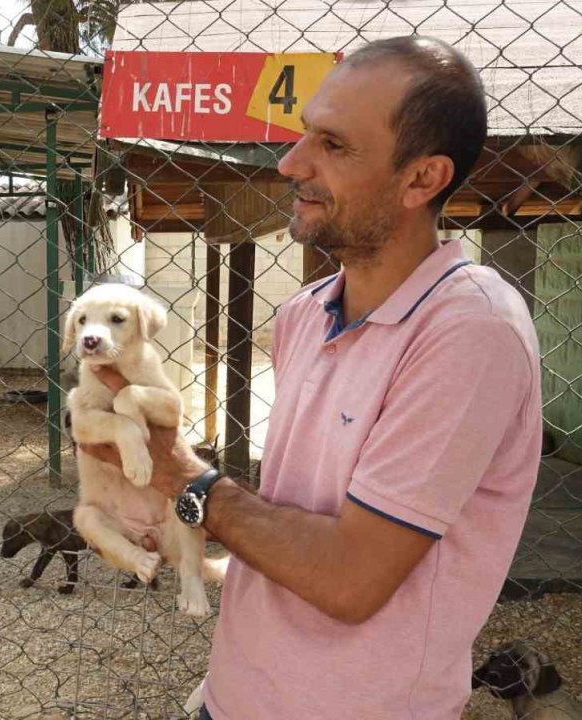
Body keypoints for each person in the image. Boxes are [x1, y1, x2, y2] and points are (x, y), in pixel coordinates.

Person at [84, 36, 542, 719]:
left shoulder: (470, 332)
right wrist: (158, 511)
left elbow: (350, 579)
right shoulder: (303, 314)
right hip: (236, 695)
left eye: (333, 145)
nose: (292, 163)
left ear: (421, 179)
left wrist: (183, 475)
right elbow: (291, 514)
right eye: (303, 135)